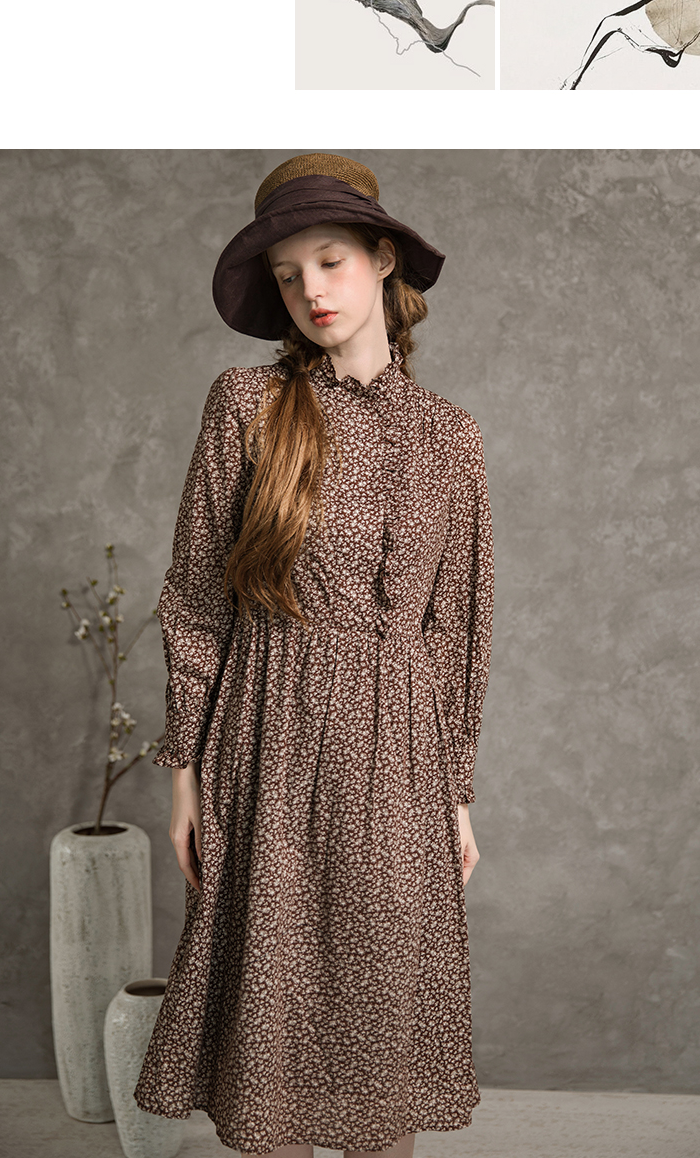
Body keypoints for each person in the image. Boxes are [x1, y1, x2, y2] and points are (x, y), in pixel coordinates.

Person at [133, 154, 494, 1158]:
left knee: (382, 1020)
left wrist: (457, 792)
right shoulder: (245, 404)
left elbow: (457, 631)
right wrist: (184, 777)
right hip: (269, 737)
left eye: (329, 261)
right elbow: (196, 600)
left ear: (383, 259)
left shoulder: (451, 437)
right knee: (274, 1018)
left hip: (401, 758)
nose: (312, 290)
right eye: (288, 275)